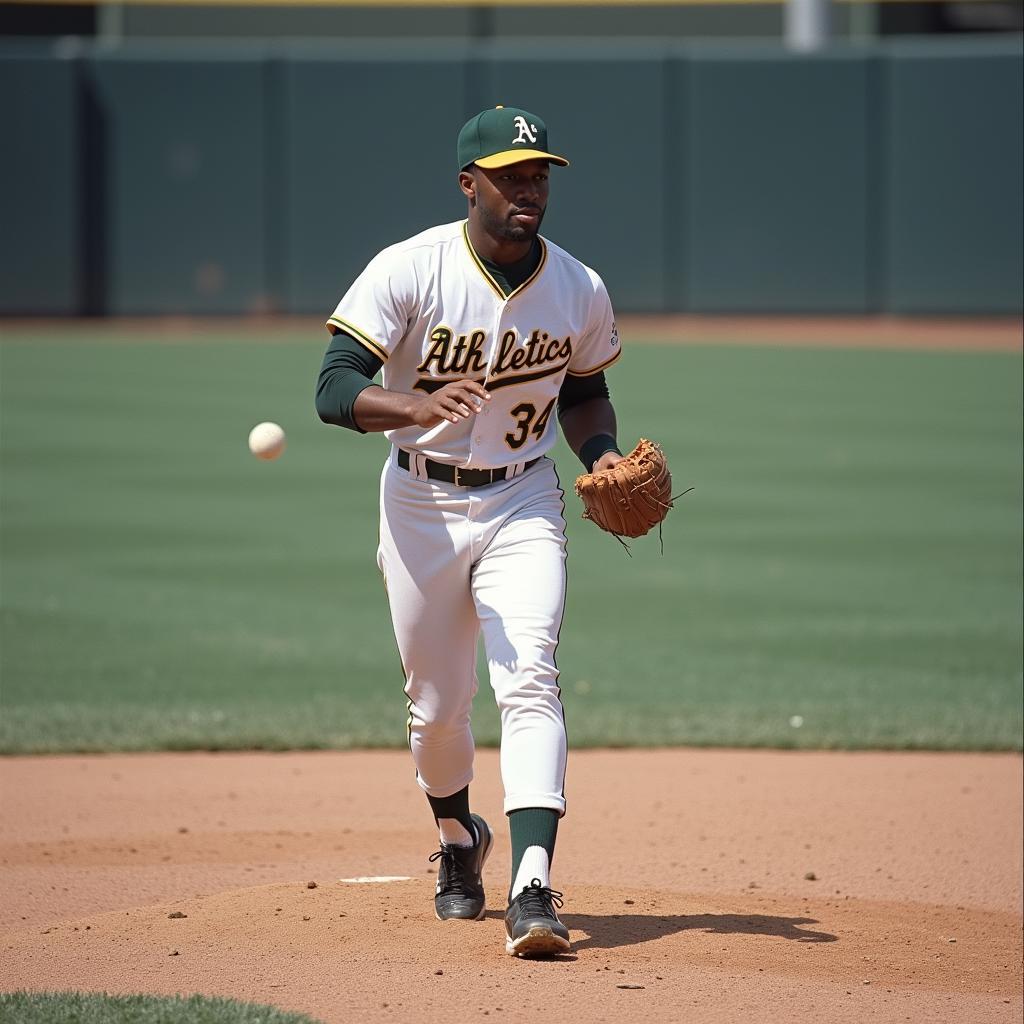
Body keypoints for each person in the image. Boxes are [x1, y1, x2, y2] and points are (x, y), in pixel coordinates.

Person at [316, 104, 626, 958]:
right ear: (469, 184)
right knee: (437, 710)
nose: (530, 187)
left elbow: (585, 389)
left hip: (525, 498)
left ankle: (533, 884)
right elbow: (333, 386)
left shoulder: (578, 286)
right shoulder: (410, 268)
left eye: (540, 173)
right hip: (420, 503)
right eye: (511, 174)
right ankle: (460, 843)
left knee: (528, 674)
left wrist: (597, 453)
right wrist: (411, 404)